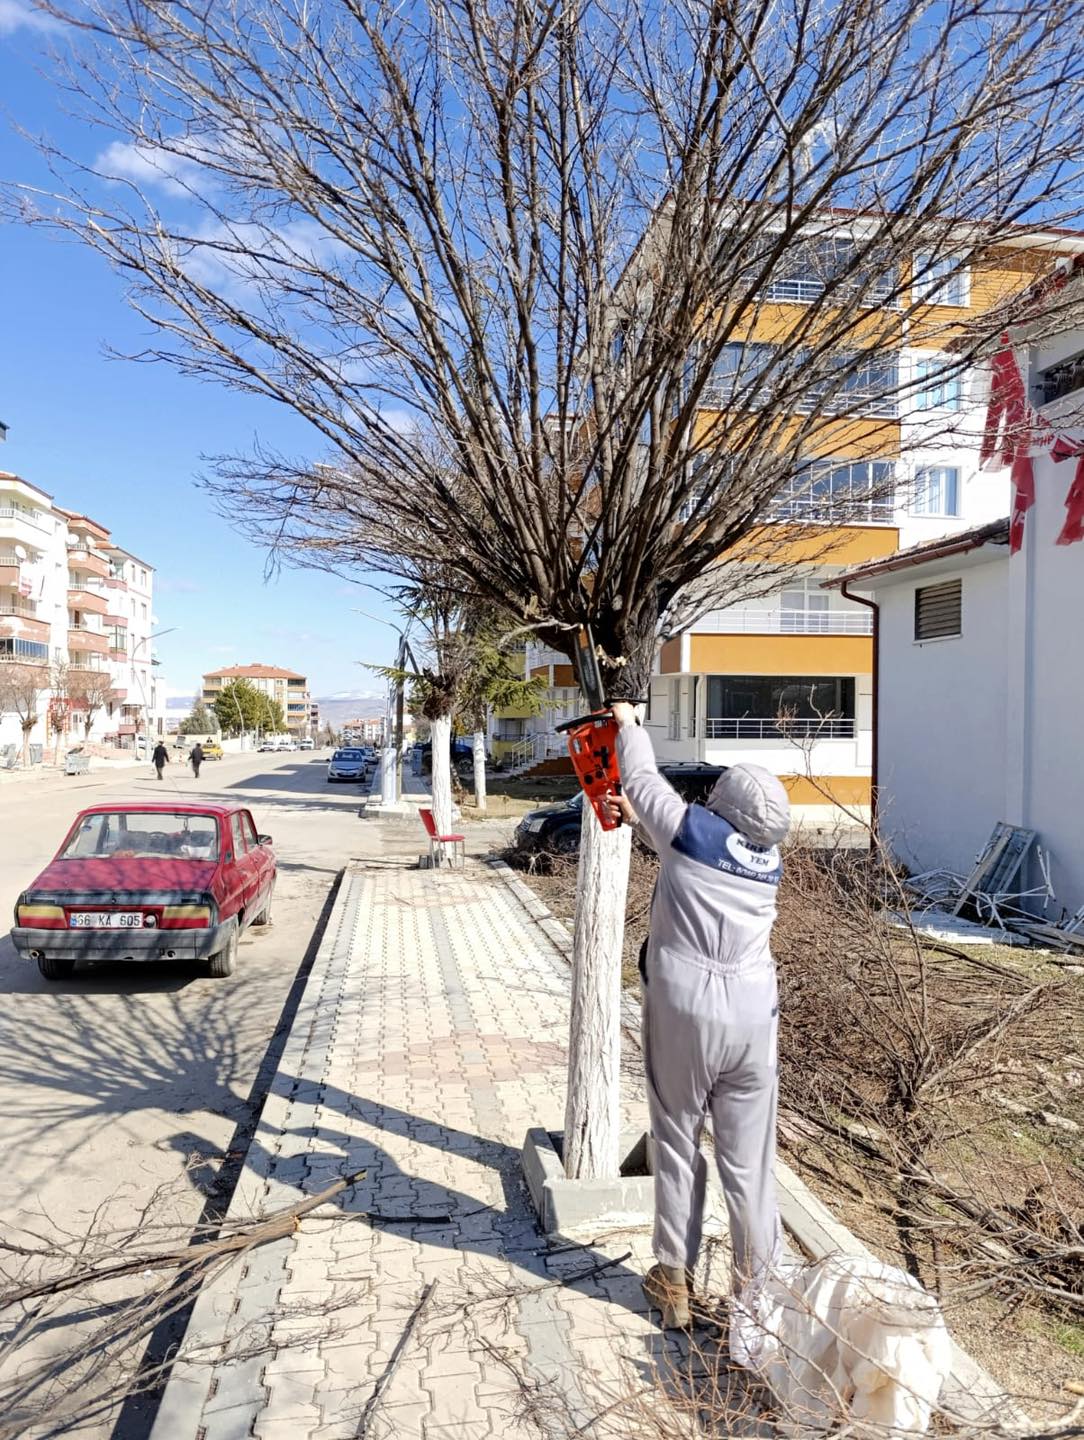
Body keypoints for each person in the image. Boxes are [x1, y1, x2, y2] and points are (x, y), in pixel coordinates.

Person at [606, 700, 790, 1364]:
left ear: (722, 804)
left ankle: (673, 1282)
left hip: (687, 1009)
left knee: (677, 1139)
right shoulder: (767, 860)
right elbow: (693, 857)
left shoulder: (688, 830)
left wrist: (629, 724)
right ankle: (758, 1308)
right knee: (753, 1169)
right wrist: (649, 828)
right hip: (753, 1020)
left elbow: (643, 781)